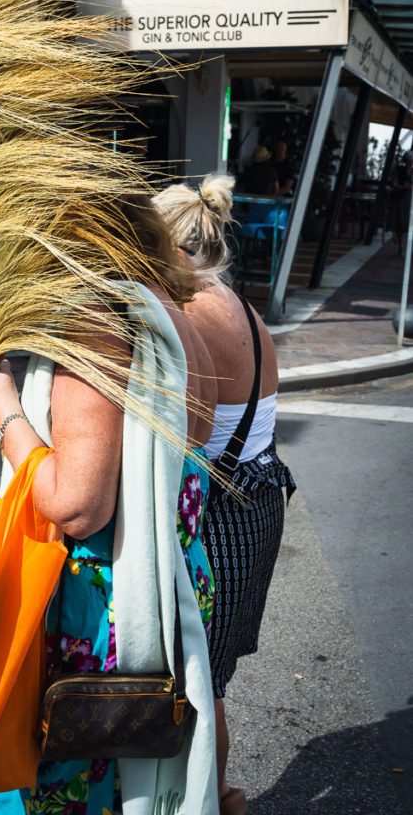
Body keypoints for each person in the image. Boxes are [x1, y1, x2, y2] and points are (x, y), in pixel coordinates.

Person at [0, 197, 218, 815]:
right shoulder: (172, 313)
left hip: (102, 614)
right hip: (169, 578)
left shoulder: (93, 321)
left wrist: (5, 416)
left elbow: (78, 506)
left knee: (81, 784)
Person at [155, 176, 296, 815]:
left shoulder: (185, 317)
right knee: (208, 679)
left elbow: (181, 440)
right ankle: (218, 795)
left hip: (216, 512)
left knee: (193, 681)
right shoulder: (244, 308)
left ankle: (211, 799)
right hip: (259, 503)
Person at [389, 151, 413, 256]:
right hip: (401, 199)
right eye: (409, 161)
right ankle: (401, 246)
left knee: (407, 224)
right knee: (401, 224)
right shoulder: (399, 170)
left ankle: (404, 246)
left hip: (410, 199)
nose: (410, 163)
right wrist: (403, 187)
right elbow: (394, 184)